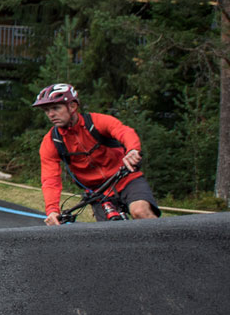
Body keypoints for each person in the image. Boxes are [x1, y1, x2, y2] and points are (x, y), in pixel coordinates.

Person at [32, 82, 160, 224]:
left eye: (56, 108)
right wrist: (52, 210)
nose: (51, 114)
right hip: (98, 193)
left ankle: (168, 243)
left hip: (125, 179)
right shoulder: (52, 141)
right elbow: (50, 179)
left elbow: (124, 131)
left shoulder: (96, 122)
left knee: (140, 211)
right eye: (46, 110)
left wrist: (132, 150)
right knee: (110, 236)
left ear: (73, 106)